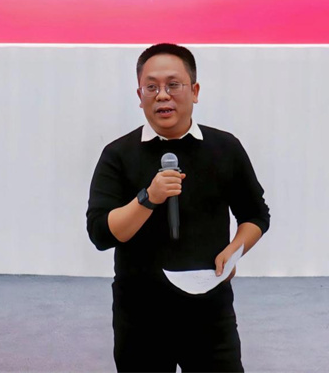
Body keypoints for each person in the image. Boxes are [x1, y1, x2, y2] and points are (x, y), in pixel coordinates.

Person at [86, 43, 270, 372]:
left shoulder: (224, 148)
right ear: (139, 95)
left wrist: (235, 250)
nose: (162, 95)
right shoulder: (118, 155)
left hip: (209, 308)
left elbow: (256, 215)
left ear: (194, 91)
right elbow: (101, 233)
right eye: (151, 87)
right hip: (140, 312)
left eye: (173, 85)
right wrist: (148, 198)